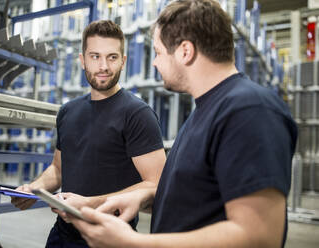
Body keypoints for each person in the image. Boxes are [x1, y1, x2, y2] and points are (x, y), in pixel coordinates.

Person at [64, 1, 298, 248]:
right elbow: (197, 199)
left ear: (185, 51)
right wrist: (143, 197)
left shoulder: (248, 110)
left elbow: (260, 236)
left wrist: (132, 243)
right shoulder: (206, 112)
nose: (154, 63)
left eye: (158, 52)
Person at [11, 20, 166, 248]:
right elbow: (58, 169)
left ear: (123, 62)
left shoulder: (137, 114)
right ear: (82, 60)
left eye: (112, 57)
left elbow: (157, 182)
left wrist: (91, 203)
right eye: (95, 56)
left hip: (110, 237)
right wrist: (34, 189)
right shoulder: (68, 111)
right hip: (62, 234)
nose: (103, 66)